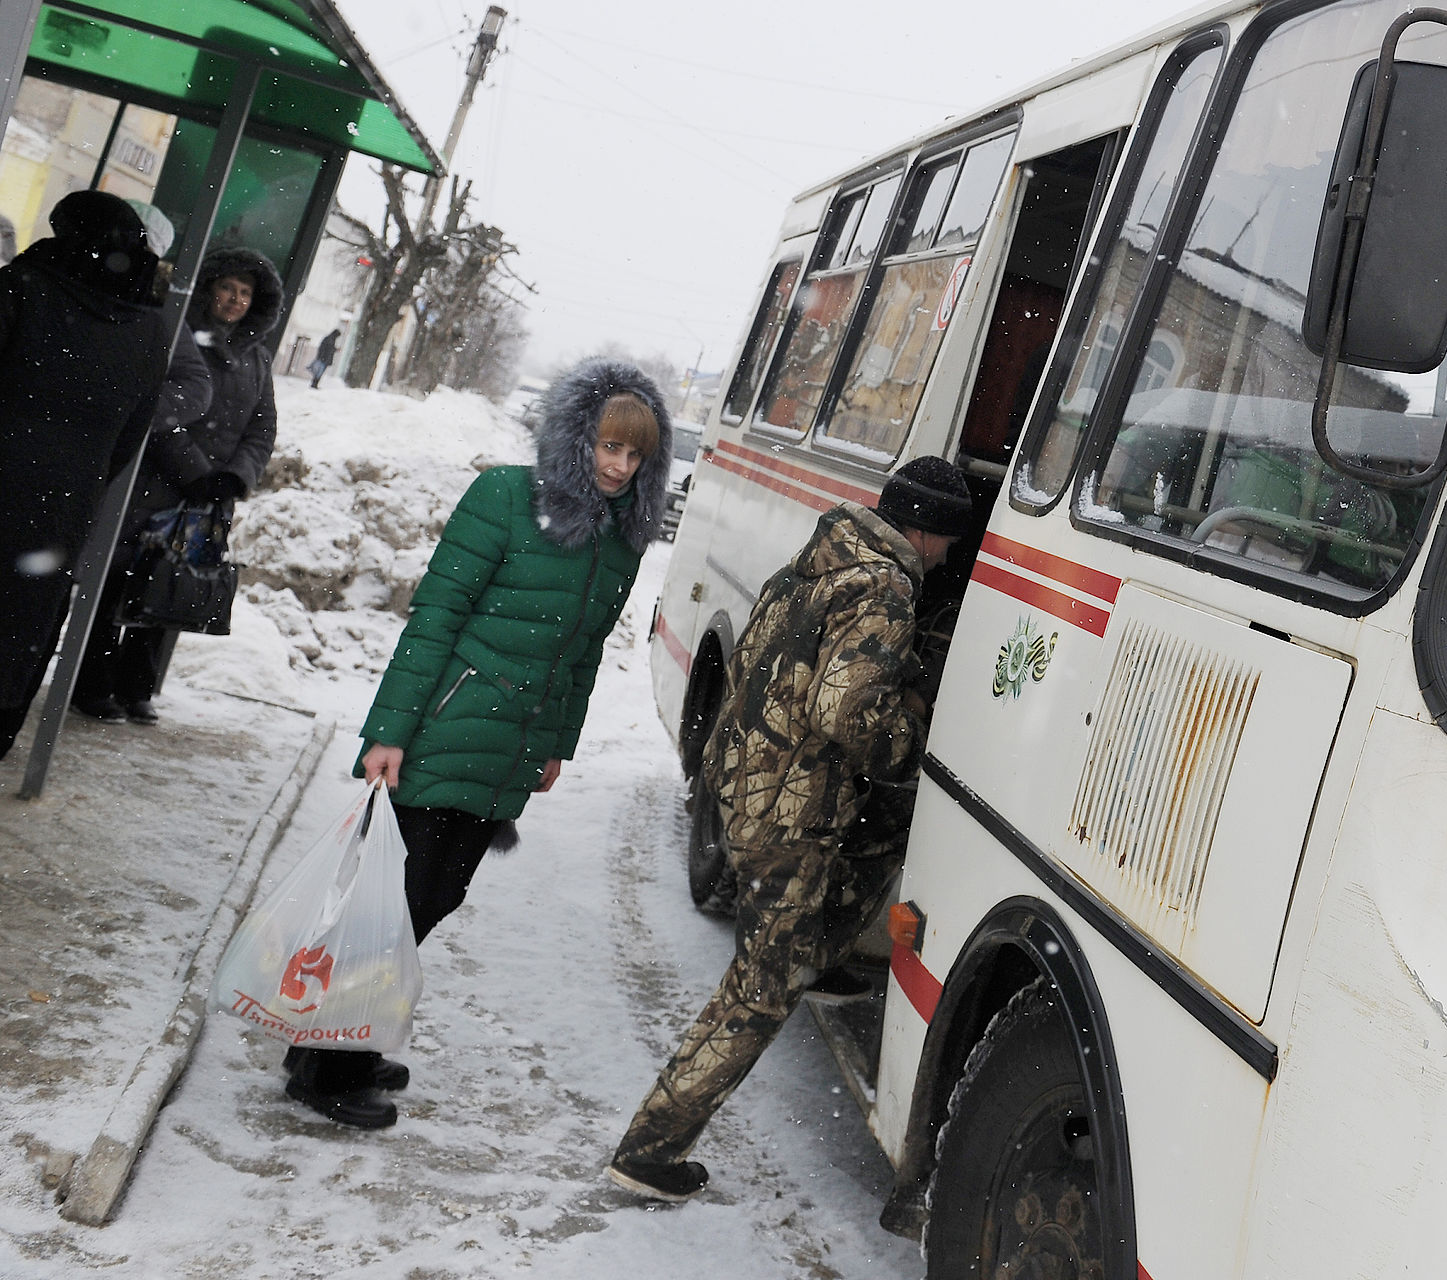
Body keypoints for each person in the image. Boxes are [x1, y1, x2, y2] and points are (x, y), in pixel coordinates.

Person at [281, 357, 675, 1129]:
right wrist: (388, 732)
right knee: (397, 903)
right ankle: (326, 1069)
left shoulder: (622, 540)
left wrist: (557, 741)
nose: (617, 465)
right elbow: (435, 617)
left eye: (634, 455)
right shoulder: (503, 497)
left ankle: (334, 1043)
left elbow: (585, 652)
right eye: (606, 446)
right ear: (575, 437)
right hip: (442, 728)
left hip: (511, 747)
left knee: (436, 897)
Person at [606, 454, 974, 1203]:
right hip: (789, 815)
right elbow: (847, 715)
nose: (947, 555)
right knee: (758, 991)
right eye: (949, 539)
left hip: (744, 787)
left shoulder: (819, 557)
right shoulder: (889, 586)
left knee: (872, 845)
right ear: (930, 532)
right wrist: (913, 732)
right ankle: (649, 1150)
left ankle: (815, 948)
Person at [75, 247, 283, 726]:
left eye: (244, 293)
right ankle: (94, 686)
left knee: (173, 590)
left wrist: (235, 476)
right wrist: (194, 471)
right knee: (119, 586)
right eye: (227, 288)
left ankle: (137, 689)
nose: (234, 300)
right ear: (211, 289)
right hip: (157, 487)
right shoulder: (179, 339)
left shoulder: (258, 359)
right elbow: (159, 410)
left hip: (210, 499)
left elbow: (262, 427)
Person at [0, 191, 172, 758]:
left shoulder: (24, 288)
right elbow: (131, 436)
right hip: (61, 514)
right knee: (19, 636)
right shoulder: (149, 330)